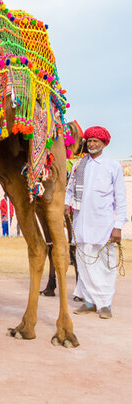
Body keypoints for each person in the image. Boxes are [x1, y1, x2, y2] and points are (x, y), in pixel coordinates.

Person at [66, 126, 127, 319]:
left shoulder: (112, 166)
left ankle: (104, 303)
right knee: (84, 263)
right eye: (89, 141)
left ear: (103, 144)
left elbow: (121, 198)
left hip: (104, 226)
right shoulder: (79, 165)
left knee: (105, 265)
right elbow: (70, 189)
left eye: (96, 141)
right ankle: (89, 302)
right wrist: (67, 204)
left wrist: (118, 227)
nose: (92, 144)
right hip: (81, 223)